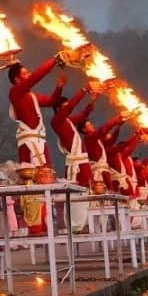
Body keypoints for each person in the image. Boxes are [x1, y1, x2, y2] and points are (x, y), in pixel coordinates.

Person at [6, 57, 65, 169]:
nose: (29, 75)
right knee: (32, 177)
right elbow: (35, 77)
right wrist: (54, 60)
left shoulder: (32, 96)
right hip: (28, 141)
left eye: (28, 72)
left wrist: (59, 87)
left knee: (47, 174)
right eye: (25, 73)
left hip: (41, 140)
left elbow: (52, 101)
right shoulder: (15, 92)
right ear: (17, 79)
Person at [50, 87, 94, 231]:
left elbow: (82, 116)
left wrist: (93, 99)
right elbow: (71, 107)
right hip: (75, 163)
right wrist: (83, 90)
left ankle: (84, 223)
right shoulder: (56, 121)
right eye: (65, 107)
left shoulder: (68, 120)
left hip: (82, 162)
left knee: (87, 191)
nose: (68, 109)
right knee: (76, 194)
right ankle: (75, 225)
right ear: (58, 109)